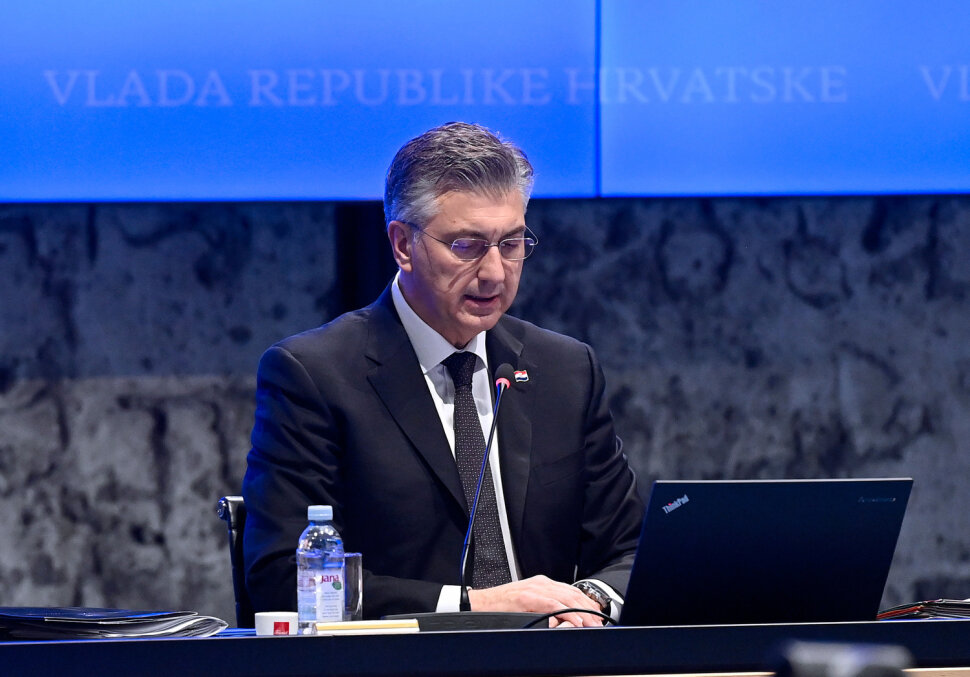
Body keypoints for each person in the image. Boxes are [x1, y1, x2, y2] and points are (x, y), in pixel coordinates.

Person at [242, 122, 644, 626]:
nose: (495, 272)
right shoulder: (314, 376)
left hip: (555, 657)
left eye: (511, 243)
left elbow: (632, 549)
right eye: (467, 245)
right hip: (405, 662)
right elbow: (283, 575)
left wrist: (586, 601)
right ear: (403, 245)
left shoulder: (565, 370)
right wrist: (477, 607)